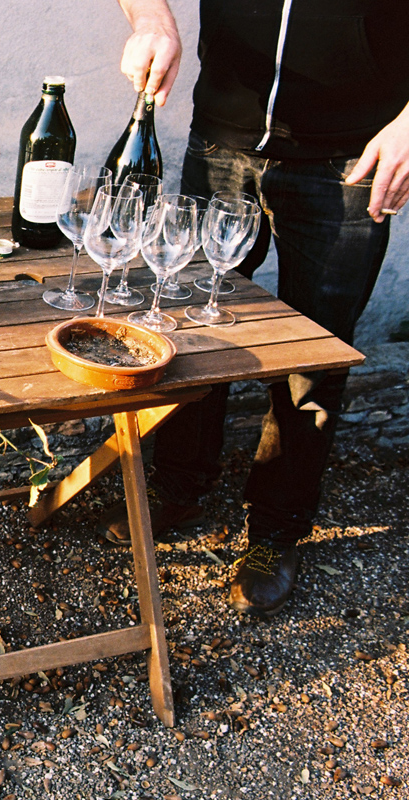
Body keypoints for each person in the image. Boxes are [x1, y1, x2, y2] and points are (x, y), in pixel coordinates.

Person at [106, 0, 409, 616]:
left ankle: (276, 527)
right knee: (190, 321)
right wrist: (153, 22)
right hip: (221, 137)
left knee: (314, 354)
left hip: (350, 159)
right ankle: (179, 482)